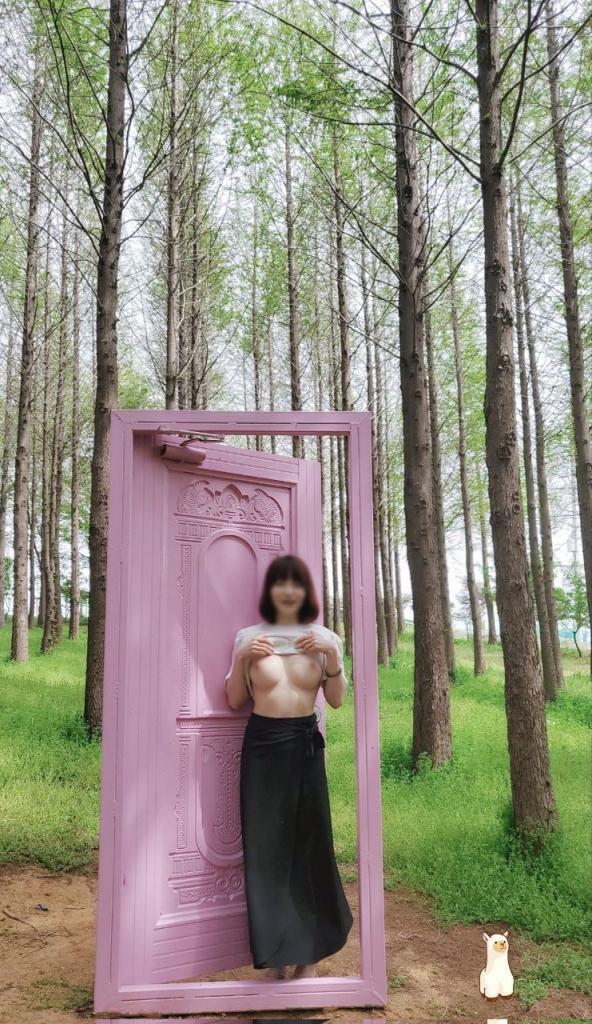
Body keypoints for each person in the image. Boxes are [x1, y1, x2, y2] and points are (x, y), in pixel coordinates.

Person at [224, 553, 354, 981]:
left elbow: (336, 700)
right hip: (262, 748)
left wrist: (332, 658)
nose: (288, 590)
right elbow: (234, 700)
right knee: (266, 852)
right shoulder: (248, 637)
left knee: (310, 848)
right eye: (280, 582)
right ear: (270, 591)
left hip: (304, 748)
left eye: (296, 583)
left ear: (306, 592)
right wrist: (241, 658)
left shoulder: (325, 638)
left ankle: (309, 958)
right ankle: (276, 954)